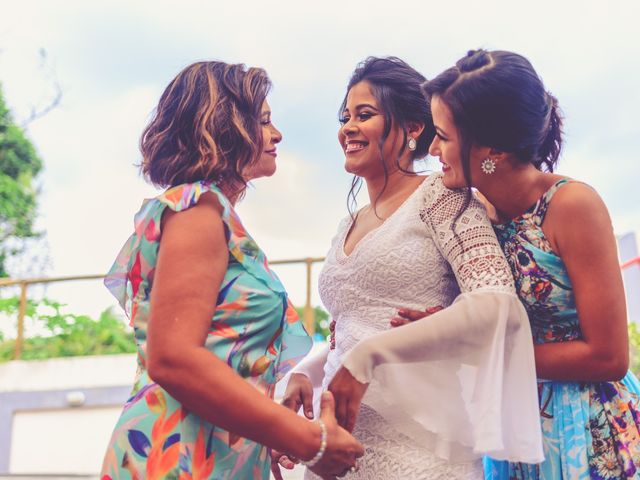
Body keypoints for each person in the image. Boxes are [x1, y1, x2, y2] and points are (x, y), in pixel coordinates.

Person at [274, 57, 543, 480]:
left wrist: (368, 356)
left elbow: (495, 303)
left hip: (422, 450)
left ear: (414, 128)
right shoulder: (349, 222)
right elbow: (357, 329)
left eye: (365, 115)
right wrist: (304, 374)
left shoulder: (442, 197)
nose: (347, 127)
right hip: (343, 451)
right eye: (345, 117)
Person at [99, 61, 363, 480]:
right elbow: (173, 359)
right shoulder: (198, 209)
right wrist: (306, 439)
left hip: (214, 451)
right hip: (179, 453)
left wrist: (262, 429)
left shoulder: (208, 213)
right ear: (225, 126)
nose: (277, 135)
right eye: (263, 121)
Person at [396, 49, 640, 479]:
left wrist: (478, 352)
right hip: (513, 422)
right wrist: (445, 326)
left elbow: (610, 356)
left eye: (444, 136)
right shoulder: (472, 213)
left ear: (491, 147)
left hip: (584, 428)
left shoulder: (572, 205)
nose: (433, 149)